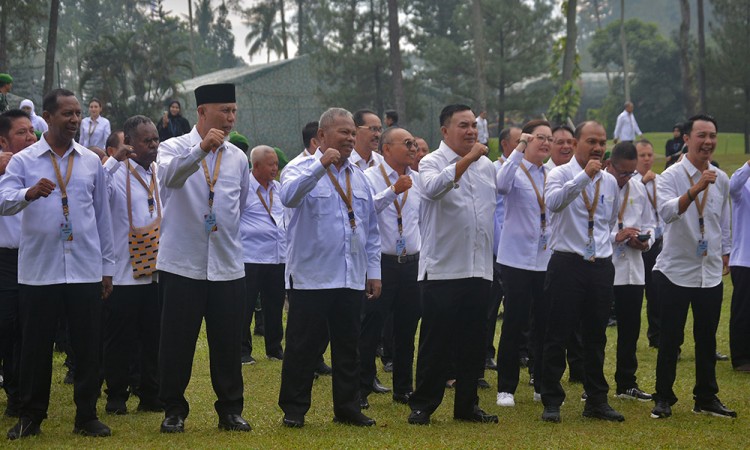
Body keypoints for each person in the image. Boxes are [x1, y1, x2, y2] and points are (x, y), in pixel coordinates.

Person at [0, 89, 115, 439]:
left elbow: (102, 217)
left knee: (87, 344)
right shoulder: (24, 162)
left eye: (78, 113)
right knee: (35, 347)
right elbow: (3, 201)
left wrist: (106, 267)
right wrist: (27, 194)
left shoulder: (91, 161)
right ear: (47, 118)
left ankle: (86, 415)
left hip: (83, 267)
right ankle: (32, 417)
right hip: (39, 271)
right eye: (67, 114)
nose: (75, 120)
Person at [156, 83, 251, 433]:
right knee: (176, 341)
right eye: (223, 110)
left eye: (233, 111)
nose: (229, 118)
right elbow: (169, 179)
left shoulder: (238, 158)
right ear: (201, 113)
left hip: (227, 264)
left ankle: (230, 410)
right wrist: (200, 150)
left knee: (227, 343)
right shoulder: (172, 148)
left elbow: (237, 207)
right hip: (182, 263)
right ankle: (173, 409)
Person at [278, 107, 381, 428]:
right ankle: (294, 410)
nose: (350, 138)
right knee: (302, 348)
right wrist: (320, 167)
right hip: (312, 277)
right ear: (322, 136)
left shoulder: (359, 177)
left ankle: (347, 408)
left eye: (353, 133)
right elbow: (289, 198)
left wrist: (373, 272)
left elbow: (371, 230)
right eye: (343, 133)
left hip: (350, 276)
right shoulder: (298, 168)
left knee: (348, 347)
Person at [407, 104, 498, 426]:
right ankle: (423, 405)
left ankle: (467, 406)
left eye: (473, 125)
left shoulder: (487, 167)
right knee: (437, 342)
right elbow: (432, 190)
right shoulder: (431, 162)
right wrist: (468, 159)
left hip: (479, 269)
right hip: (444, 269)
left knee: (474, 343)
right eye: (463, 125)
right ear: (445, 131)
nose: (471, 131)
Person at [650, 114, 736, 419]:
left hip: (710, 271)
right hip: (676, 270)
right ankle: (663, 397)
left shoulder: (721, 178)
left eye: (712, 135)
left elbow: (723, 220)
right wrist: (696, 188)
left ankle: (706, 397)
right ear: (686, 139)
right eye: (702, 135)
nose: (708, 142)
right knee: (671, 338)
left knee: (707, 338)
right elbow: (667, 213)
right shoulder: (670, 176)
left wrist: (725, 252)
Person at [540, 120, 624, 424]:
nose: (598, 148)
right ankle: (551, 399)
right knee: (558, 333)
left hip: (600, 266)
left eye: (602, 142)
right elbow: (553, 204)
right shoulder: (559, 173)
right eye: (591, 141)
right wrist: (583, 178)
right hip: (567, 263)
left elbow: (609, 221)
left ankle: (596, 400)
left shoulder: (610, 181)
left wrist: (603, 252)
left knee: (595, 335)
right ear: (576, 143)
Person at [101, 115, 163, 415]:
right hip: (124, 273)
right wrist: (114, 160)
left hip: (154, 273)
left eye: (155, 139)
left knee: (153, 337)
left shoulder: (158, 172)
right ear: (129, 142)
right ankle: (116, 395)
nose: (153, 145)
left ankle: (150, 393)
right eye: (146, 140)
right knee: (120, 340)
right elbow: (94, 188)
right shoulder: (115, 175)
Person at [361, 127, 422, 408]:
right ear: (387, 149)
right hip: (382, 263)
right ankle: (361, 388)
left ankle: (403, 387)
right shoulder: (369, 177)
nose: (413, 149)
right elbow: (363, 212)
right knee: (371, 326)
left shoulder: (418, 180)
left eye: (414, 144)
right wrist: (392, 191)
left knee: (407, 328)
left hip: (411, 264)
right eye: (407, 144)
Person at [494, 120, 552, 407]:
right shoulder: (513, 170)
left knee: (543, 324)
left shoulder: (553, 174)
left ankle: (541, 381)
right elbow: (500, 186)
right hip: (516, 259)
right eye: (539, 137)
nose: (545, 143)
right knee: (514, 323)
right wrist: (518, 149)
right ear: (527, 140)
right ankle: (506, 387)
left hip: (545, 259)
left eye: (549, 138)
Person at [605, 141, 655, 402]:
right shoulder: (598, 184)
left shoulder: (638, 186)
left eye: (631, 173)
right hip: (604, 266)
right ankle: (594, 384)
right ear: (610, 165)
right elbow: (587, 227)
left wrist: (646, 241)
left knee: (630, 329)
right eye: (622, 172)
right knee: (595, 330)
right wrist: (617, 236)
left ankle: (626, 383)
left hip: (633, 268)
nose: (626, 178)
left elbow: (650, 223)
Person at [0, 109, 37, 418]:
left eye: (32, 132)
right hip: (4, 260)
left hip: (35, 256)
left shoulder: (41, 164)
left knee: (27, 328)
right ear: (3, 140)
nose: (31, 137)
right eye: (22, 133)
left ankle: (18, 395)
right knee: (7, 325)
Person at [240, 145, 286, 365]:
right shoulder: (244, 187)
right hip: (250, 256)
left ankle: (274, 348)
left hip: (277, 256)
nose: (275, 168)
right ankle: (242, 351)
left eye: (276, 164)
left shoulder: (278, 188)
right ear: (255, 166)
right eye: (271, 164)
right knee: (245, 305)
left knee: (275, 304)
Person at [484, 127, 519, 373]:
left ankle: (521, 352)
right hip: (497, 250)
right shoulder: (499, 171)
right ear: (506, 145)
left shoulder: (531, 171)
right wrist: (498, 250)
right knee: (489, 308)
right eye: (520, 142)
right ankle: (485, 353)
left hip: (519, 252)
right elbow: (494, 216)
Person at [634, 139, 663, 349]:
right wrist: (643, 183)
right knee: (636, 290)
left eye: (649, 155)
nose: (646, 159)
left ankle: (657, 334)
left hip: (659, 241)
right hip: (637, 242)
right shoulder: (631, 182)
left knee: (656, 291)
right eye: (642, 155)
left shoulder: (660, 181)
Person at [729, 157, 750, 373]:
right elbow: (732, 185)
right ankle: (741, 356)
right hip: (744, 259)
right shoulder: (743, 185)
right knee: (743, 310)